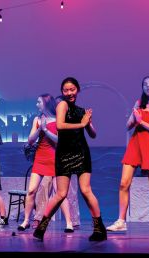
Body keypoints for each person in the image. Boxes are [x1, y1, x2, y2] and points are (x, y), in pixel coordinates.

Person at [33, 77, 107, 242]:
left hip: (81, 153)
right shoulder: (62, 105)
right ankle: (41, 227)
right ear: (62, 92)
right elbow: (60, 125)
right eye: (66, 90)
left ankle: (99, 229)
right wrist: (81, 124)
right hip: (64, 154)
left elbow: (93, 135)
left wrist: (88, 122)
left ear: (78, 90)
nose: (69, 93)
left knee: (86, 190)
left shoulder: (81, 111)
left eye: (72, 89)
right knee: (61, 193)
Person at [107, 76, 149, 235]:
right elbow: (128, 126)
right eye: (144, 84)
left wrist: (141, 122)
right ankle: (121, 221)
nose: (147, 86)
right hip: (135, 144)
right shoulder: (138, 104)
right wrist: (134, 118)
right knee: (123, 183)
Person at [18, 94, 74, 233]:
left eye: (39, 102)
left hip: (56, 159)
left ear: (46, 103)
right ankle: (26, 221)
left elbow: (60, 141)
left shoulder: (58, 120)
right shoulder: (37, 120)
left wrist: (45, 130)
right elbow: (30, 140)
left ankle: (69, 223)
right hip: (40, 158)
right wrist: (39, 128)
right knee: (31, 191)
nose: (37, 105)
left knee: (60, 193)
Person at [32, 95, 81, 229]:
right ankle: (38, 218)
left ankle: (72, 221)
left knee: (69, 191)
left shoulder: (67, 120)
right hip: (52, 158)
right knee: (43, 188)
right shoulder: (50, 120)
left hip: (67, 159)